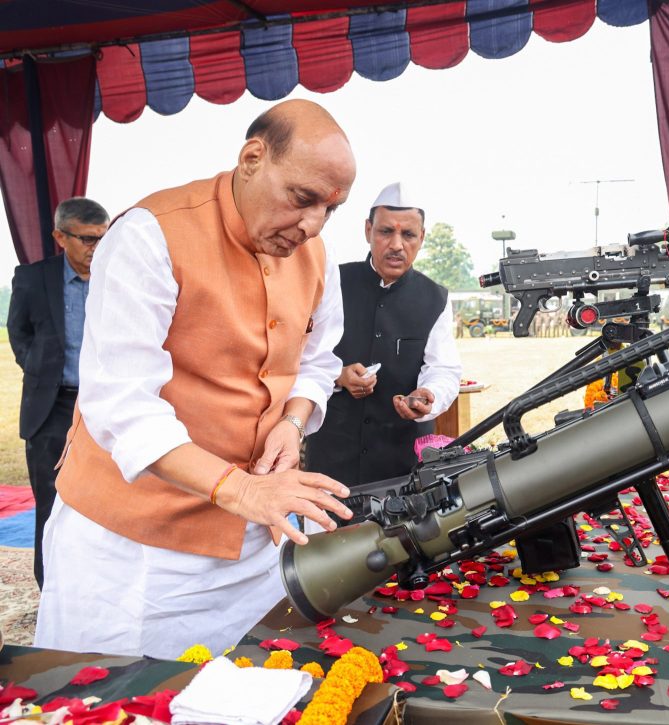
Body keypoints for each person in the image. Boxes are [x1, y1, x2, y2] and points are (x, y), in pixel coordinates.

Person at [33, 99, 357, 660]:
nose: (310, 226)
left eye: (330, 210)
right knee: (125, 701)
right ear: (252, 158)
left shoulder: (317, 255)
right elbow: (126, 407)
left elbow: (319, 360)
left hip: (255, 546)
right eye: (302, 199)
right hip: (135, 552)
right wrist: (245, 489)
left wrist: (292, 422)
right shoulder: (148, 236)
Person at [304, 182, 461, 488]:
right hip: (332, 458)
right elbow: (302, 354)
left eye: (408, 234)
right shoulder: (332, 282)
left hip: (402, 465)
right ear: (368, 231)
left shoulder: (435, 298)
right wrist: (338, 375)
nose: (396, 245)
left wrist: (428, 395)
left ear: (422, 237)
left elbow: (443, 369)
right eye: (386, 232)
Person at [8, 197, 109, 588]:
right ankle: (50, 589)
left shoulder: (114, 278)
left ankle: (96, 587)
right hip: (51, 409)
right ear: (59, 237)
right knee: (51, 504)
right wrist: (42, 372)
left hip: (102, 409)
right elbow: (20, 335)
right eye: (86, 239)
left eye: (102, 238)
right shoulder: (32, 278)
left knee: (104, 503)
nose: (95, 248)